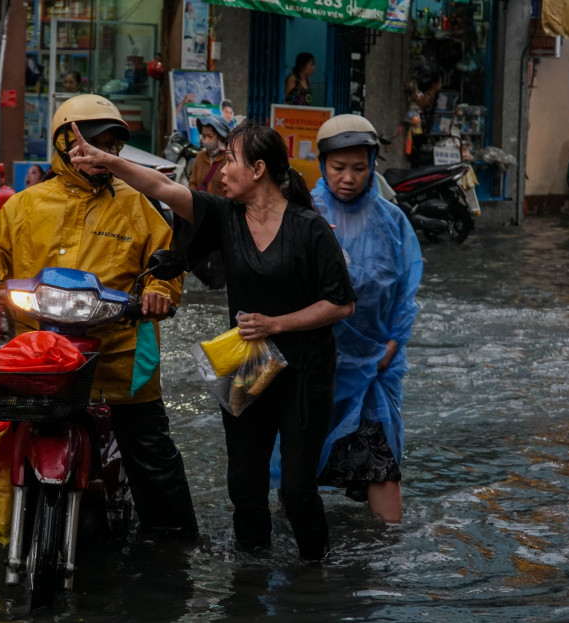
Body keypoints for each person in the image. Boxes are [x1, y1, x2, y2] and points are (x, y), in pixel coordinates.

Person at [68, 121, 357, 561]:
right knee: (244, 484)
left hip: (306, 371)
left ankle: (315, 576)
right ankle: (251, 578)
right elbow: (162, 188)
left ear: (258, 169)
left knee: (298, 490)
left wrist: (275, 324)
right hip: (246, 364)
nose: (220, 169)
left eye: (229, 160)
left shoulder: (310, 228)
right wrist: (107, 160)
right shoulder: (226, 216)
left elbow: (341, 304)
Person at [0, 95, 198, 540]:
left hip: (121, 352)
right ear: (65, 142)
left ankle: (175, 547)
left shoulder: (138, 203)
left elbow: (167, 260)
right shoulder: (25, 204)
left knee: (151, 451)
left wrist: (161, 290)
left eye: (111, 145)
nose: (102, 154)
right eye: (92, 142)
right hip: (41, 352)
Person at [309, 115, 423, 523]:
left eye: (359, 168)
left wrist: (393, 344)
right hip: (315, 362)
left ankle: (389, 551)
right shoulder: (305, 215)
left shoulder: (392, 222)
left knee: (383, 462)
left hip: (376, 364)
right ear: (322, 164)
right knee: (297, 464)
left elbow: (407, 290)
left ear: (373, 165)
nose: (348, 178)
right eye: (338, 168)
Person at [187, 114, 231, 289]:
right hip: (201, 220)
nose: (205, 140)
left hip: (221, 223)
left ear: (220, 137)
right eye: (203, 136)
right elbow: (193, 185)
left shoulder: (229, 160)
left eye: (210, 136)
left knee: (218, 270)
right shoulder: (199, 159)